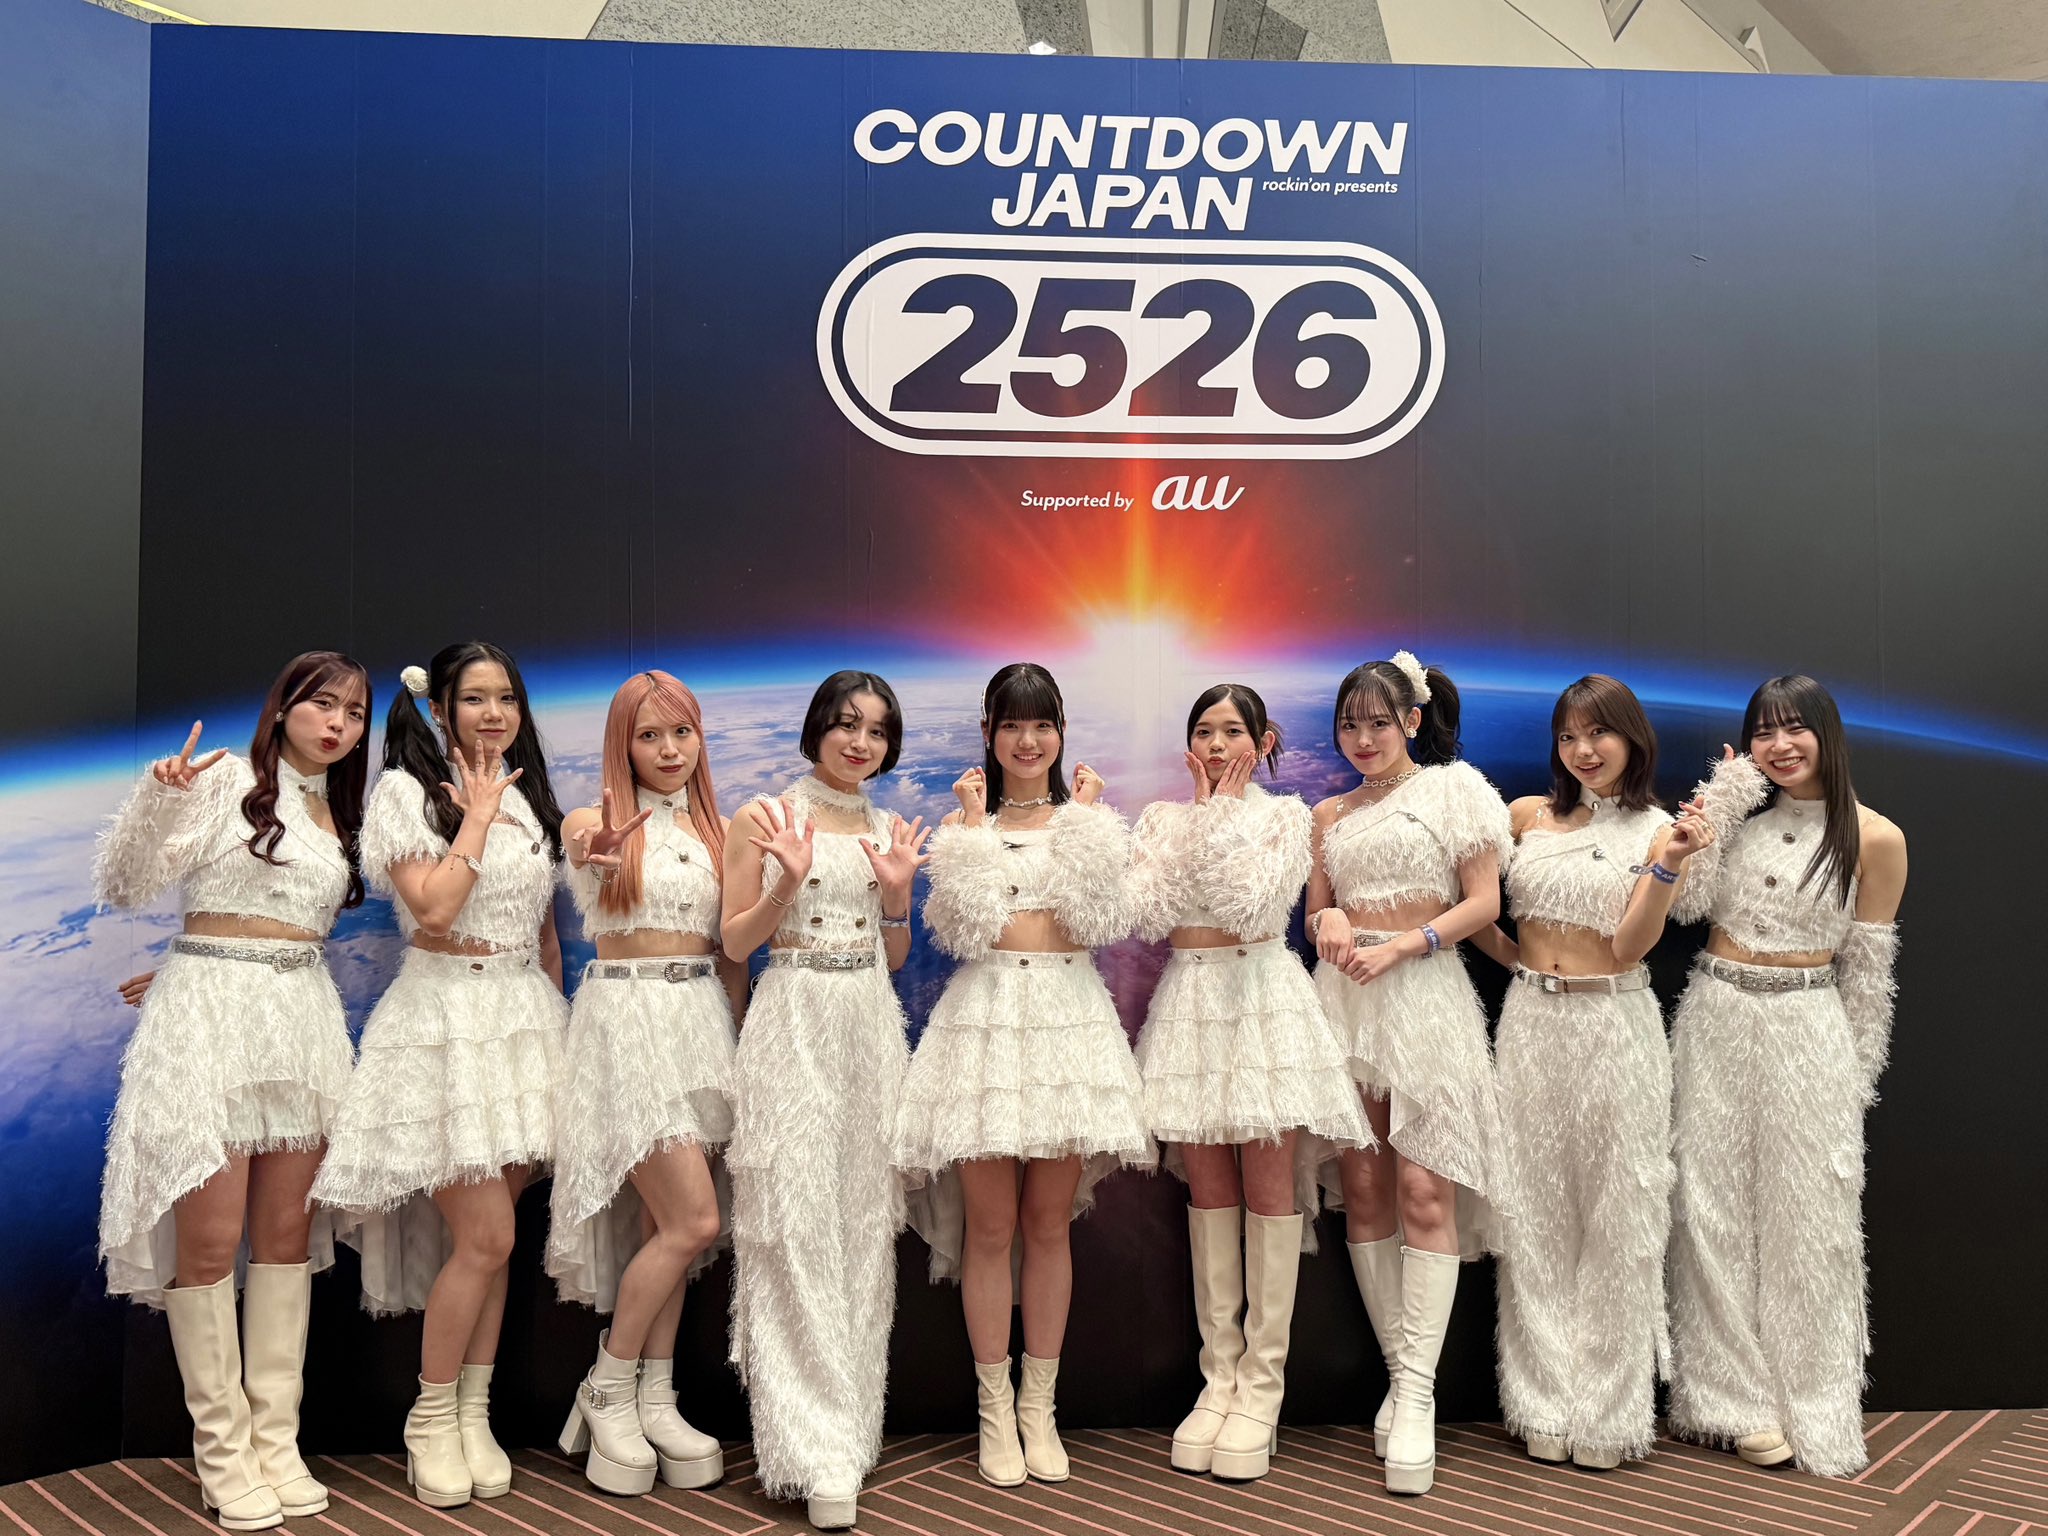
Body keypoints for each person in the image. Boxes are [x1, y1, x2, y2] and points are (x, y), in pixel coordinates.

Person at [94, 652, 372, 1530]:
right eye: (322, 704)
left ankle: (275, 1444)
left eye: (355, 713)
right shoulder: (221, 782)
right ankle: (221, 1454)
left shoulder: (341, 809)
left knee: (285, 1240)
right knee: (210, 1241)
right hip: (208, 1025)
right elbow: (124, 885)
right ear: (283, 708)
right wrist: (159, 796)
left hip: (301, 1024)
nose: (338, 724)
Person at [310, 643, 569, 1508]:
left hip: (523, 1025)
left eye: (506, 698)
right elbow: (432, 910)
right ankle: (428, 1418)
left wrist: (557, 1029)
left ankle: (472, 1413)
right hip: (443, 1024)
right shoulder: (402, 792)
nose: (494, 715)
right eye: (475, 699)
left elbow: (543, 931)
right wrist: (476, 820)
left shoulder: (526, 791)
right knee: (486, 1237)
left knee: (495, 1243)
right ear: (440, 708)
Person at [895, 663, 1152, 1488]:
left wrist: (1088, 827)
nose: (1027, 740)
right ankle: (993, 1411)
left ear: (1060, 733)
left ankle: (1040, 1408)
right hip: (986, 1023)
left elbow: (1101, 921)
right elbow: (963, 932)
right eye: (1011, 724)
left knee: (1047, 1225)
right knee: (990, 1227)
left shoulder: (1089, 822)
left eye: (1041, 724)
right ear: (990, 734)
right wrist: (972, 832)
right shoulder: (962, 826)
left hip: (1068, 1023)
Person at [1664, 676, 1907, 1477]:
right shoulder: (1741, 823)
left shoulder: (1875, 838)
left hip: (1809, 1026)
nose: (1779, 745)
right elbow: (1685, 907)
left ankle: (1813, 1397)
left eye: (1795, 728)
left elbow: (1869, 975)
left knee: (1809, 1220)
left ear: (1826, 733)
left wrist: (1854, 1081)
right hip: (1716, 1015)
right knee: (1710, 1208)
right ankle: (1728, 1400)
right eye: (1763, 732)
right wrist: (1720, 806)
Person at [1127, 683, 1369, 1480]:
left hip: (1262, 998)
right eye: (1204, 730)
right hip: (1191, 1001)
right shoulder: (1161, 820)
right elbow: (1150, 914)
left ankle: (1262, 1388)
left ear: (1263, 742)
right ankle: (1218, 1379)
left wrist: (1225, 816)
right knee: (1208, 1192)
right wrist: (1202, 820)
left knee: (1269, 1190)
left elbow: (1252, 904)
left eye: (1233, 731)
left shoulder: (1288, 817)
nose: (1217, 744)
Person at [1471, 676, 1705, 1469]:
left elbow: (1633, 944)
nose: (1584, 750)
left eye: (1598, 733)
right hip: (1531, 1024)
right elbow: (1480, 909)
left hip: (1617, 1023)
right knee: (1532, 1211)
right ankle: (1540, 1400)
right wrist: (1521, 962)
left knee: (1620, 1215)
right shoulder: (1524, 816)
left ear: (1632, 737)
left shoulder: (1659, 829)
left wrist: (1667, 866)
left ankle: (1610, 1412)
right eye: (1569, 736)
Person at [720, 671, 929, 1530]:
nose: (860, 743)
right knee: (792, 1224)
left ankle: (851, 1428)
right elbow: (734, 941)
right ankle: (807, 1446)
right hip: (792, 1021)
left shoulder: (888, 827)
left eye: (877, 731)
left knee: (861, 1225)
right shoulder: (764, 816)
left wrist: (897, 900)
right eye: (846, 725)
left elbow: (894, 957)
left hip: (868, 1031)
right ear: (816, 729)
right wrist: (787, 881)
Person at [1307, 652, 1512, 1497]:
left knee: (1426, 1191)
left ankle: (1418, 1395)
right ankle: (1402, 1374)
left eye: (1378, 723)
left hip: (1425, 993)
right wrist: (1327, 917)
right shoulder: (1328, 813)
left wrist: (1405, 944)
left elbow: (1484, 903)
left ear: (1412, 722)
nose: (1363, 739)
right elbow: (1316, 907)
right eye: (1349, 725)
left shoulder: (1455, 789)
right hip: (1347, 1001)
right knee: (1364, 1189)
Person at [549, 671, 739, 1494]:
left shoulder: (720, 831)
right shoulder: (590, 821)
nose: (668, 750)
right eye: (649, 735)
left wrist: (738, 1045)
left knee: (670, 1226)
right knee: (694, 1220)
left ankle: (655, 1400)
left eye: (681, 733)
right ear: (622, 744)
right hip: (626, 1024)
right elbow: (584, 852)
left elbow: (732, 954)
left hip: (700, 1025)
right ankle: (606, 1386)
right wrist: (594, 852)